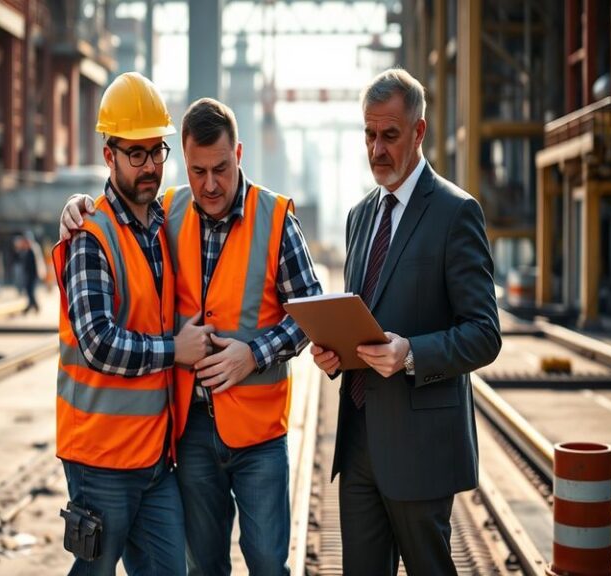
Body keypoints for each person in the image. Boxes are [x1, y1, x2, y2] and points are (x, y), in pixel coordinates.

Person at [60, 97, 322, 575]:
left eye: (221, 168)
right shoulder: (166, 212)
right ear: (182, 159)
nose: (210, 184)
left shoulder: (275, 218)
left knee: (266, 561)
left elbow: (310, 313)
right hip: (192, 430)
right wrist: (77, 208)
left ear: (238, 154)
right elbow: (116, 212)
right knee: (203, 565)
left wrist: (253, 355)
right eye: (197, 171)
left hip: (258, 433)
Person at [310, 68, 501, 575]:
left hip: (420, 453)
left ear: (418, 132)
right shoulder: (359, 215)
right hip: (357, 446)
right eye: (369, 135)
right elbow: (363, 315)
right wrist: (333, 353)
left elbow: (485, 332)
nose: (376, 149)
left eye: (389, 135)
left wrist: (410, 353)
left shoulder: (456, 213)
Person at [51, 72, 213, 576]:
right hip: (100, 462)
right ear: (109, 156)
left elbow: (223, 193)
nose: (149, 167)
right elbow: (98, 342)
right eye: (135, 154)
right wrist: (175, 350)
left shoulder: (162, 224)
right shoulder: (90, 238)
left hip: (153, 461)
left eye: (156, 152)